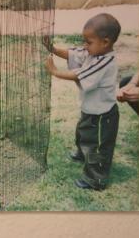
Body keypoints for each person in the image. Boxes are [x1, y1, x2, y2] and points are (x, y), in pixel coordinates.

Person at [43, 13, 121, 190]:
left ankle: (96, 179)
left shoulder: (105, 61)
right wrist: (53, 49)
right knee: (83, 133)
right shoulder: (93, 52)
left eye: (89, 42)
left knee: (98, 147)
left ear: (106, 42)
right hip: (90, 110)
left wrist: (54, 71)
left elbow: (78, 75)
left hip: (103, 116)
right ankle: (82, 153)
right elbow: (72, 54)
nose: (85, 46)